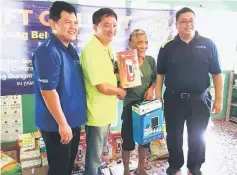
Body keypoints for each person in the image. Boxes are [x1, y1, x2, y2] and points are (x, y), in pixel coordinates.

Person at [156, 7, 222, 175]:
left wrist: (219, 99)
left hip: (200, 100)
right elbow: (160, 74)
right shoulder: (167, 47)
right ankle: (175, 164)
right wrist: (158, 96)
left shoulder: (208, 44)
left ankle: (195, 166)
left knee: (198, 136)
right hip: (173, 99)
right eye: (183, 21)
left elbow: (216, 73)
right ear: (176, 24)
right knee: (174, 136)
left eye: (191, 20)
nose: (188, 24)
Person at [32, 1, 86, 175]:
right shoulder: (47, 51)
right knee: (59, 170)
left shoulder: (70, 49)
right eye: (68, 22)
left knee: (68, 167)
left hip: (72, 122)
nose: (73, 27)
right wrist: (62, 124)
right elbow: (48, 91)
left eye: (75, 23)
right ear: (53, 23)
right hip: (58, 126)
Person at [80, 8, 126, 175]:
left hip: (106, 111)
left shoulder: (107, 47)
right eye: (106, 25)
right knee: (93, 155)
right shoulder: (92, 50)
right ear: (95, 27)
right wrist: (120, 92)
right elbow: (102, 86)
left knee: (99, 153)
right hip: (97, 112)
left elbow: (111, 76)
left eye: (114, 25)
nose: (111, 29)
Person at [121, 29, 157, 175]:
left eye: (146, 42)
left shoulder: (150, 60)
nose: (143, 46)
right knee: (128, 141)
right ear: (131, 44)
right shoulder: (124, 61)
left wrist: (151, 89)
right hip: (130, 106)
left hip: (146, 106)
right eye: (140, 42)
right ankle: (125, 170)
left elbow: (155, 79)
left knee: (144, 141)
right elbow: (120, 86)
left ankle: (140, 168)